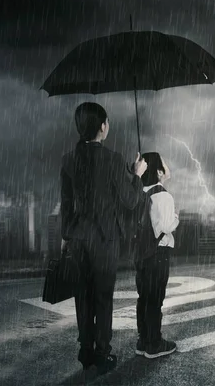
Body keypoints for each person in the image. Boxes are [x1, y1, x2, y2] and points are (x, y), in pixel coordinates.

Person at [60, 102, 148, 374]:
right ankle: (102, 352)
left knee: (82, 296)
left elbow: (65, 203)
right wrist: (137, 175)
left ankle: (85, 350)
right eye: (107, 122)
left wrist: (68, 233)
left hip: (78, 239)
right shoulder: (112, 159)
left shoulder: (69, 159)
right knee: (103, 297)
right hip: (105, 239)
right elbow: (131, 200)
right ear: (102, 126)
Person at [134, 152, 179, 359]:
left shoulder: (138, 192)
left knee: (144, 297)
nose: (168, 168)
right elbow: (169, 225)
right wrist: (177, 217)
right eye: (165, 164)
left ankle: (143, 340)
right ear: (160, 171)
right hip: (158, 252)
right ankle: (154, 344)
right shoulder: (164, 195)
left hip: (141, 253)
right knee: (155, 299)